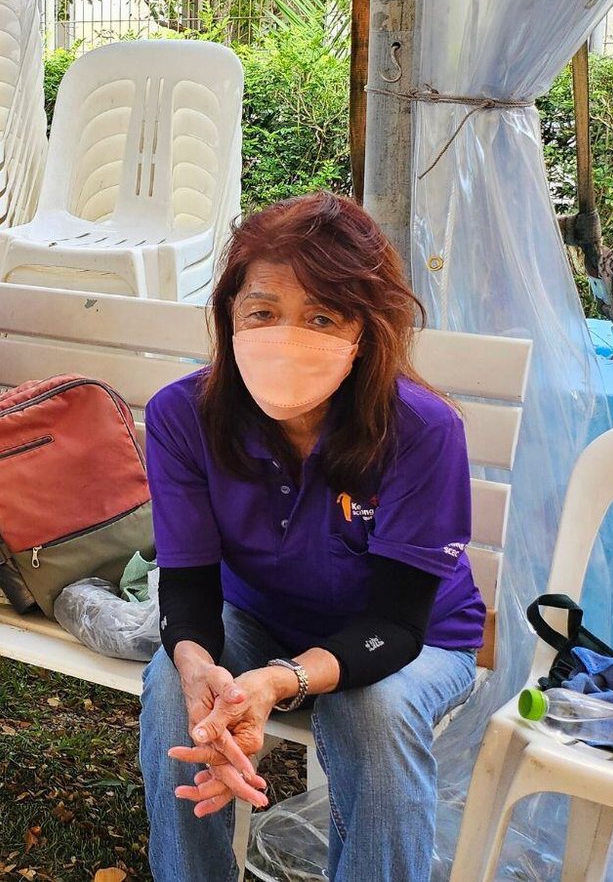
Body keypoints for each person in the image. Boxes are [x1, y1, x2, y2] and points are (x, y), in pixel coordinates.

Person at [138, 191, 483, 881]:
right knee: (178, 689)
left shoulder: (419, 429)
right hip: (262, 618)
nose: (286, 336)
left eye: (321, 316)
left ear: (364, 330)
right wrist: (202, 667)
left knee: (373, 710)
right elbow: (187, 578)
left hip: (415, 637)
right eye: (262, 311)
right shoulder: (184, 415)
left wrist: (277, 680)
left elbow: (395, 621)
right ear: (229, 315)